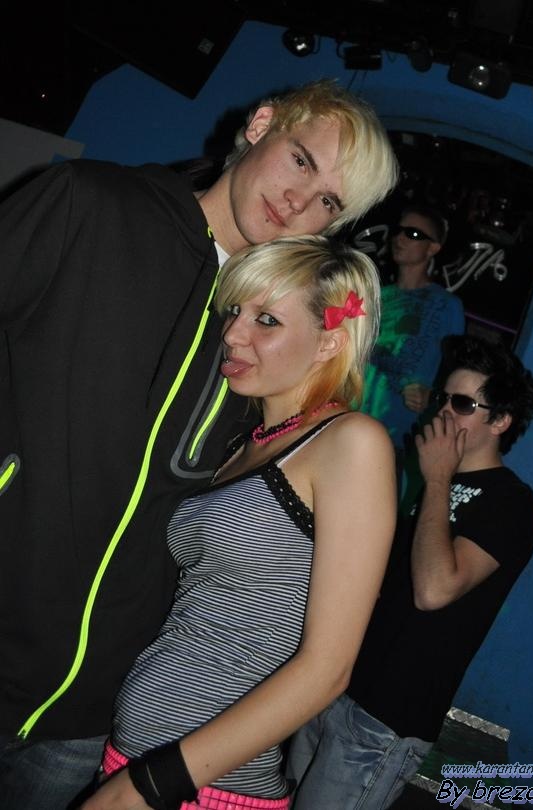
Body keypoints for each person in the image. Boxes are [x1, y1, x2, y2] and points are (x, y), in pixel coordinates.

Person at [0, 79, 398, 809]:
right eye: (302, 160)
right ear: (261, 123)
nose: (298, 202)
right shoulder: (91, 205)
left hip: (91, 713)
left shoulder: (263, 349)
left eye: (328, 202)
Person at [79, 235, 396, 809]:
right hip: (133, 757)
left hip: (199, 786)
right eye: (234, 311)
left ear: (329, 341)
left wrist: (151, 785)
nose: (231, 334)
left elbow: (327, 669)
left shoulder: (351, 443)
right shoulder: (241, 444)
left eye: (266, 320)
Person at [287, 334, 533, 809]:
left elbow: (435, 590)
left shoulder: (511, 502)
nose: (444, 411)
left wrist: (438, 478)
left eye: (463, 404)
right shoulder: (432, 486)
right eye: (443, 397)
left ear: (501, 421)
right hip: (337, 688)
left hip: (386, 720)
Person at [360, 203, 465, 484]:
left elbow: (457, 373)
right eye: (399, 230)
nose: (400, 238)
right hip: (351, 422)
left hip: (400, 438)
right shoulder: (374, 296)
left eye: (413, 234)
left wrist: (432, 396)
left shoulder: (447, 306)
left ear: (433, 248)